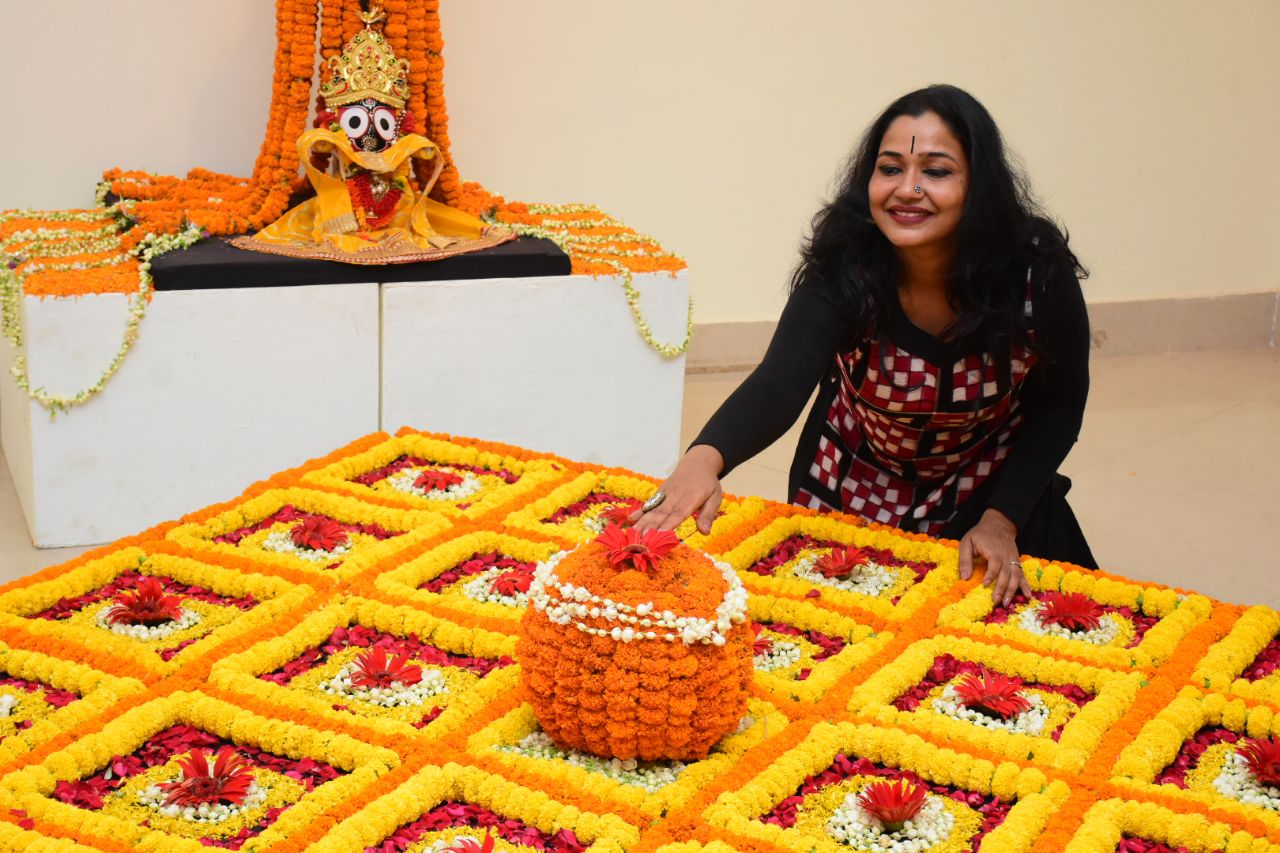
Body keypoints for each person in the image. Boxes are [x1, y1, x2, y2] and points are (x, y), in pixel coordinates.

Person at [634, 84, 1097, 605]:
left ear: (980, 186)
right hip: (855, 477)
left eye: (937, 171)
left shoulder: (1035, 272)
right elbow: (780, 382)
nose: (908, 189)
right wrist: (704, 460)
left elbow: (1059, 407)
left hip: (988, 481)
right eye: (891, 168)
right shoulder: (846, 261)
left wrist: (1003, 518)